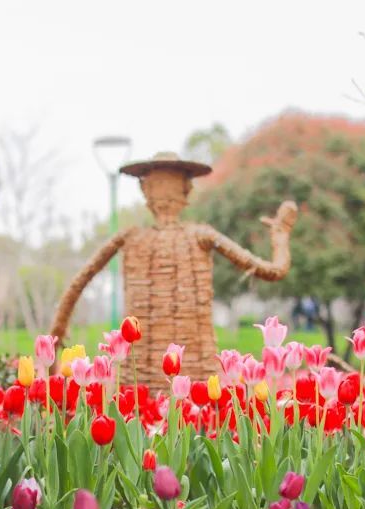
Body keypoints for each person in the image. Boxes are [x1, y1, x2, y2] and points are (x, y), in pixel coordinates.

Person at [50, 151, 298, 387]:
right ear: (187, 189)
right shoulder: (191, 236)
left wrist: (55, 339)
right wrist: (280, 235)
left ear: (145, 190)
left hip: (170, 382)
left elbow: (78, 283)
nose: (163, 191)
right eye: (159, 184)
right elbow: (274, 269)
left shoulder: (137, 237)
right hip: (158, 382)